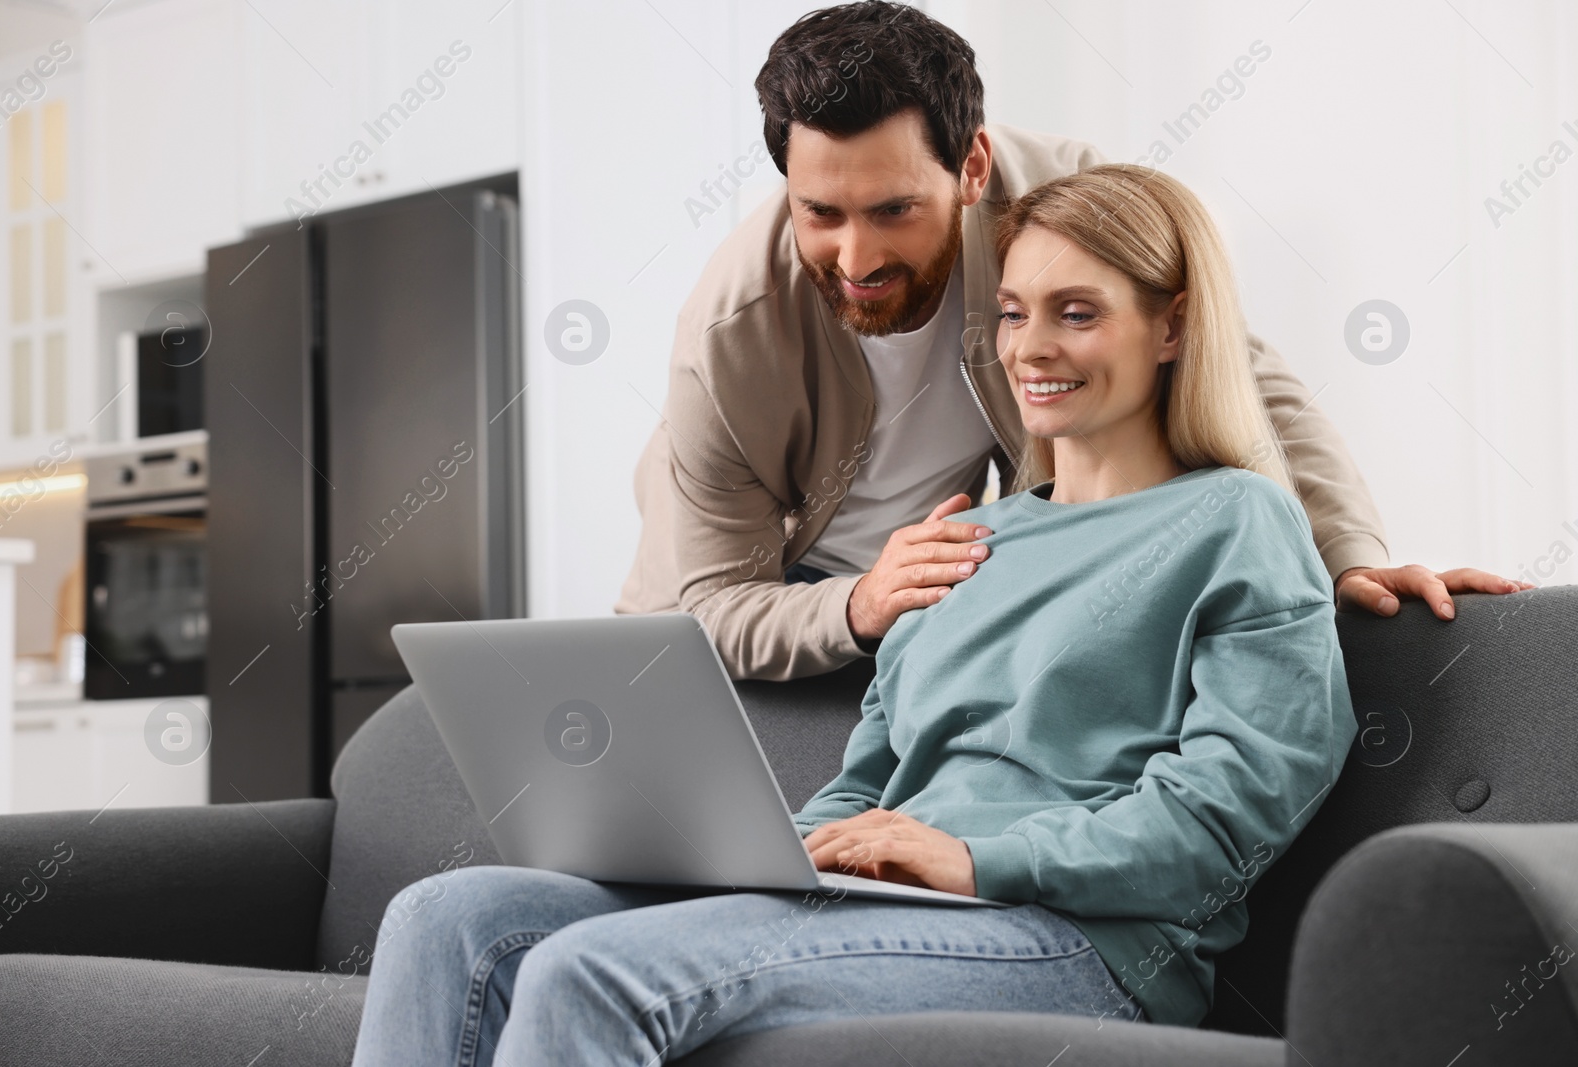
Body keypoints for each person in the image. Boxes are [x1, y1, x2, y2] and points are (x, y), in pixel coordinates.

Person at [350, 161, 1364, 1063]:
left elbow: (1228, 814)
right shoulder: (962, 538)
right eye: (1012, 312)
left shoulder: (1235, 519)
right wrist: (759, 853)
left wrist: (974, 858)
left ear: (1174, 324)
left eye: (1077, 311)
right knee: (448, 914)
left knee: (593, 973)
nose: (1032, 346)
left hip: (1076, 937)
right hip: (894, 902)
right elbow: (868, 779)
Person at [614, 0, 1529, 683]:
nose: (856, 257)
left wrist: (1352, 559)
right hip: (753, 612)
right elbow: (717, 605)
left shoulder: (1059, 202)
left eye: (895, 210)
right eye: (820, 213)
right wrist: (857, 602)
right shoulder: (729, 333)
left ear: (971, 166)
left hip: (936, 599)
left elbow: (1238, 374)